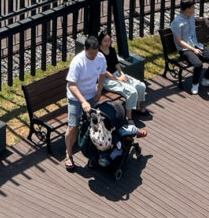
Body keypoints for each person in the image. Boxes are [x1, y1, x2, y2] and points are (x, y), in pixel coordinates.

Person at [63, 36, 108, 170]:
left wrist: (99, 91)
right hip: (76, 98)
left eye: (96, 52)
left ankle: (93, 153)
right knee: (73, 127)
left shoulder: (100, 58)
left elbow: (102, 75)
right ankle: (68, 153)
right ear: (85, 49)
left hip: (91, 94)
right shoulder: (78, 62)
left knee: (96, 124)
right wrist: (82, 101)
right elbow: (71, 84)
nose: (94, 55)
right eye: (91, 53)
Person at [171, 0, 209, 95]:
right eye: (193, 6)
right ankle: (195, 84)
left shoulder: (190, 15)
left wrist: (203, 19)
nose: (194, 8)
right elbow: (179, 41)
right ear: (188, 8)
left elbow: (194, 20)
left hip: (196, 45)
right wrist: (193, 50)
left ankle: (206, 79)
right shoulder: (176, 22)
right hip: (185, 49)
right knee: (198, 64)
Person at [97, 31, 149, 121]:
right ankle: (128, 117)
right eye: (105, 41)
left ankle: (137, 107)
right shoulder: (98, 54)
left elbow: (116, 64)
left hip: (116, 75)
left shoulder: (112, 50)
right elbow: (103, 71)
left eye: (109, 41)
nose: (107, 43)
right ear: (100, 41)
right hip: (106, 79)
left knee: (141, 85)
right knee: (132, 91)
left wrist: (122, 74)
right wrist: (118, 79)